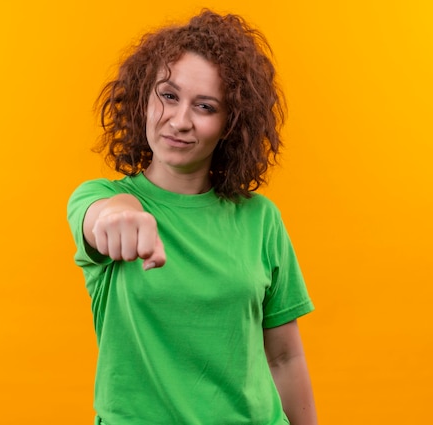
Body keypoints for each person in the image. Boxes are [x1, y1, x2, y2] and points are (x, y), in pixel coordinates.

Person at [67, 9, 317, 425]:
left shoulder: (261, 220)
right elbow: (99, 218)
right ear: (144, 97)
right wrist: (119, 217)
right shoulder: (103, 198)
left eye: (204, 106)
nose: (179, 121)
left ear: (229, 125)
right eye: (168, 95)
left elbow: (285, 356)